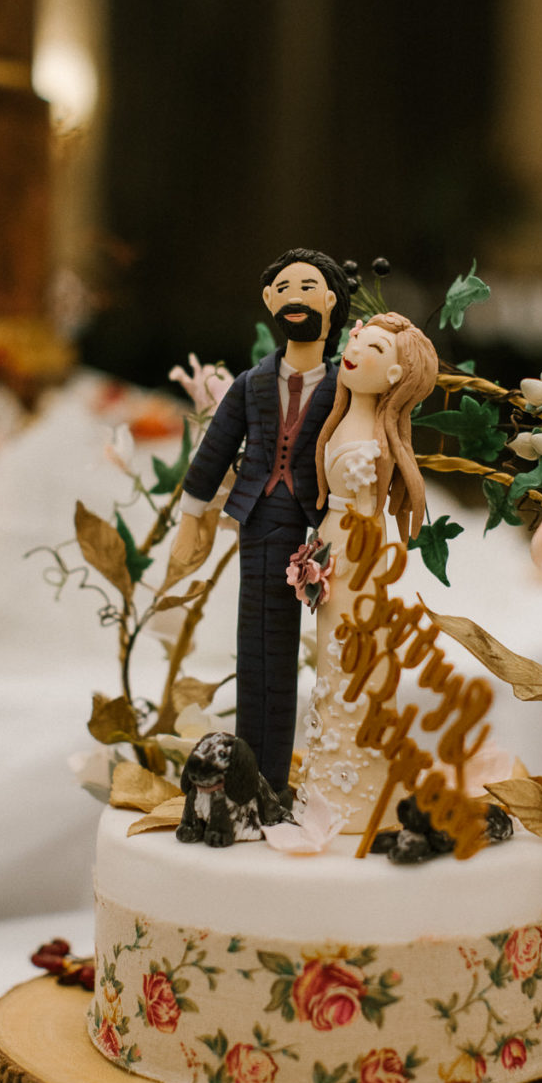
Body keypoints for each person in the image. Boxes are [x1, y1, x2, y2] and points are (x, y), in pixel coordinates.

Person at [170, 248, 351, 792]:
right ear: (271, 301)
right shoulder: (251, 384)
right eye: (285, 288)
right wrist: (190, 519)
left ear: (331, 301)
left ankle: (275, 776)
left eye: (308, 285)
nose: (296, 297)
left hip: (313, 528)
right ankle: (251, 774)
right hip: (257, 517)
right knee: (256, 646)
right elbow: (213, 451)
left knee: (292, 644)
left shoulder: (346, 385)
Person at [297, 313, 438, 832]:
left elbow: (364, 507)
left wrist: (340, 557)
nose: (353, 347)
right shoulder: (339, 421)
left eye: (372, 347)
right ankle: (335, 770)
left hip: (356, 544)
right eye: (356, 337)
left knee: (352, 649)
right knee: (333, 652)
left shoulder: (371, 440)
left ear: (395, 376)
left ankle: (361, 781)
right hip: (335, 538)